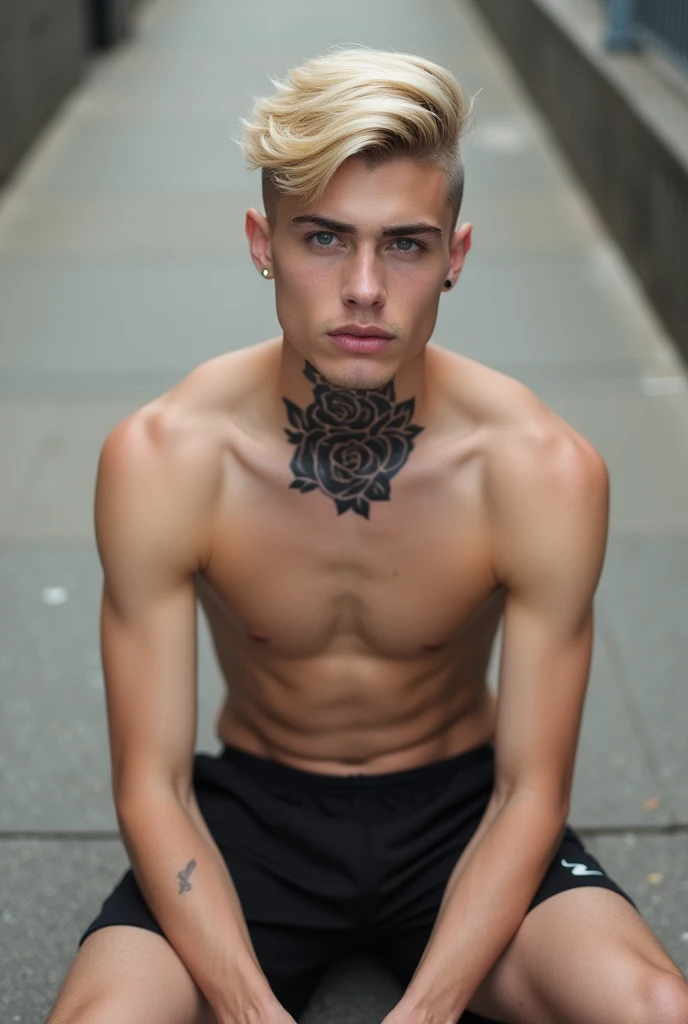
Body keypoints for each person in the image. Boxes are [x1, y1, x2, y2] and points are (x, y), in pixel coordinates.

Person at [46, 47, 687, 1024]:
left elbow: (530, 790)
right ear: (262, 241)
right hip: (251, 820)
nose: (360, 287)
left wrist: (423, 1013)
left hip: (462, 819)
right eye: (322, 238)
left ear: (455, 257)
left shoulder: (538, 470)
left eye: (404, 244)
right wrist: (250, 1010)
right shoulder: (166, 458)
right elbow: (150, 784)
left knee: (651, 1006)